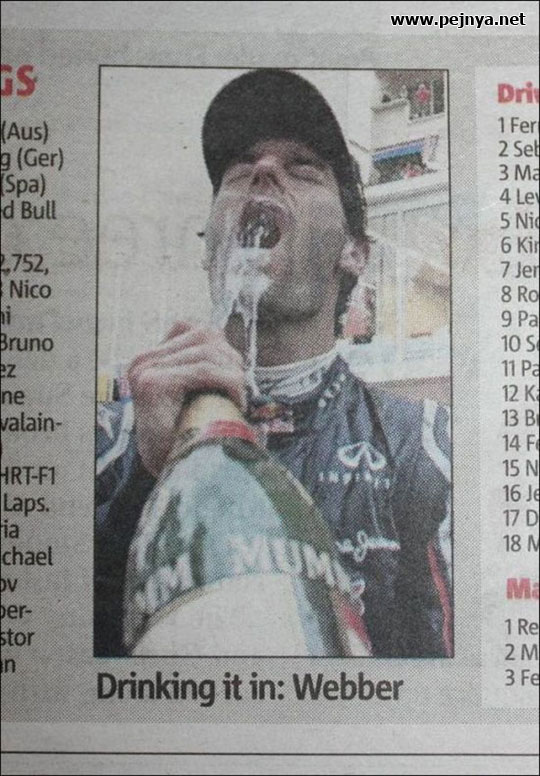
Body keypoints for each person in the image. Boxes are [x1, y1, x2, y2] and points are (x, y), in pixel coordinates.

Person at [96, 69, 452, 658]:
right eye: (240, 168)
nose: (262, 171)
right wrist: (145, 481)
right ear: (209, 243)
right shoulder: (109, 442)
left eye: (303, 168)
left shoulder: (428, 449)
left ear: (353, 252)